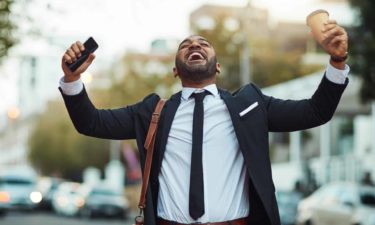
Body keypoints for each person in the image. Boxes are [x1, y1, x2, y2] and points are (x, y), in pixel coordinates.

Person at [59, 20, 349, 225]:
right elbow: (91, 122)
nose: (195, 46)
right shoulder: (151, 114)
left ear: (217, 66)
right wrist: (72, 80)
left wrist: (337, 62)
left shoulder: (251, 106)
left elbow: (316, 111)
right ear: (175, 69)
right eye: (186, 45)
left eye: (203, 44)